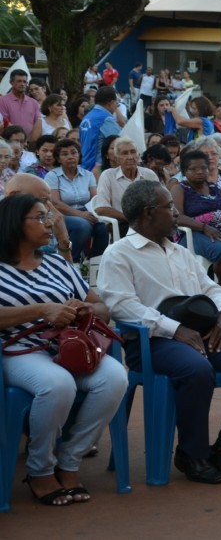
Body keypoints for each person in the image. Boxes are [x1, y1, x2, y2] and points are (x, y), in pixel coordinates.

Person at [98, 180, 221, 484]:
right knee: (196, 368)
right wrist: (174, 328)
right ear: (149, 213)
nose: (176, 213)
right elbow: (122, 306)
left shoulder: (179, 251)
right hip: (152, 343)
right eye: (169, 207)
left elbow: (211, 288)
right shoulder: (119, 253)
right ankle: (192, 453)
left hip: (201, 335)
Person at [0, 194, 127, 505]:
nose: (50, 222)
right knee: (57, 384)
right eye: (40, 217)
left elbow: (101, 306)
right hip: (20, 350)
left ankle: (69, 459)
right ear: (15, 223)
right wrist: (42, 310)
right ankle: (40, 468)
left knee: (115, 378)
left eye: (49, 216)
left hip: (68, 346)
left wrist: (85, 309)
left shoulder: (57, 263)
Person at [170, 150, 221, 298]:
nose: (200, 172)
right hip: (193, 233)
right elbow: (177, 217)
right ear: (184, 171)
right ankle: (220, 286)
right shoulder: (180, 189)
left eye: (203, 168)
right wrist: (204, 227)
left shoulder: (214, 187)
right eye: (194, 169)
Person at [45, 139, 108, 262]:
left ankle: (92, 262)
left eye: (74, 153)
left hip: (85, 212)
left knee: (102, 227)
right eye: (65, 154)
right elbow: (55, 203)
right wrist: (81, 215)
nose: (70, 156)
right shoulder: (52, 176)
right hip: (59, 215)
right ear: (58, 159)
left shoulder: (88, 175)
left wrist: (93, 214)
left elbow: (94, 198)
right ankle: (69, 261)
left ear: (79, 155)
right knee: (82, 226)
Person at [93, 136, 158, 236]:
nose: (130, 157)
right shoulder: (108, 175)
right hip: (122, 223)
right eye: (124, 153)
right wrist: (131, 218)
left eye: (133, 152)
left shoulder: (149, 174)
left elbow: (160, 201)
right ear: (117, 159)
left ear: (138, 155)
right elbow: (101, 208)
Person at [78, 86, 122, 171]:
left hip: (86, 167)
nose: (117, 106)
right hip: (99, 169)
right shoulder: (106, 119)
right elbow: (119, 143)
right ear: (111, 103)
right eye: (117, 103)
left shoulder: (87, 117)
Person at [0, 69, 42, 143]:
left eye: (24, 81)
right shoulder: (2, 101)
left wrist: (31, 143)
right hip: (9, 143)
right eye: (19, 81)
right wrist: (20, 140)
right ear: (11, 82)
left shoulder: (34, 102)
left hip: (30, 143)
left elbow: (37, 125)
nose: (22, 84)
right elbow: (4, 123)